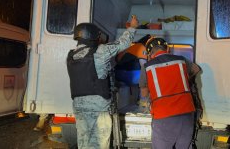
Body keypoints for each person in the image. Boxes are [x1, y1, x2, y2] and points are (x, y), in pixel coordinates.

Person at [66, 16, 138, 149]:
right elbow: (123, 43)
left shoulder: (71, 56)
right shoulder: (100, 52)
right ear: (93, 36)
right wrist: (132, 27)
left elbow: (97, 68)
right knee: (100, 144)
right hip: (98, 108)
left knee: (84, 143)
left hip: (79, 107)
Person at [138, 37, 202, 149]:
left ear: (150, 54)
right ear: (167, 49)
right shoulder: (181, 60)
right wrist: (186, 79)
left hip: (163, 116)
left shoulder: (147, 67)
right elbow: (196, 69)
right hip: (186, 113)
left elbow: (144, 93)